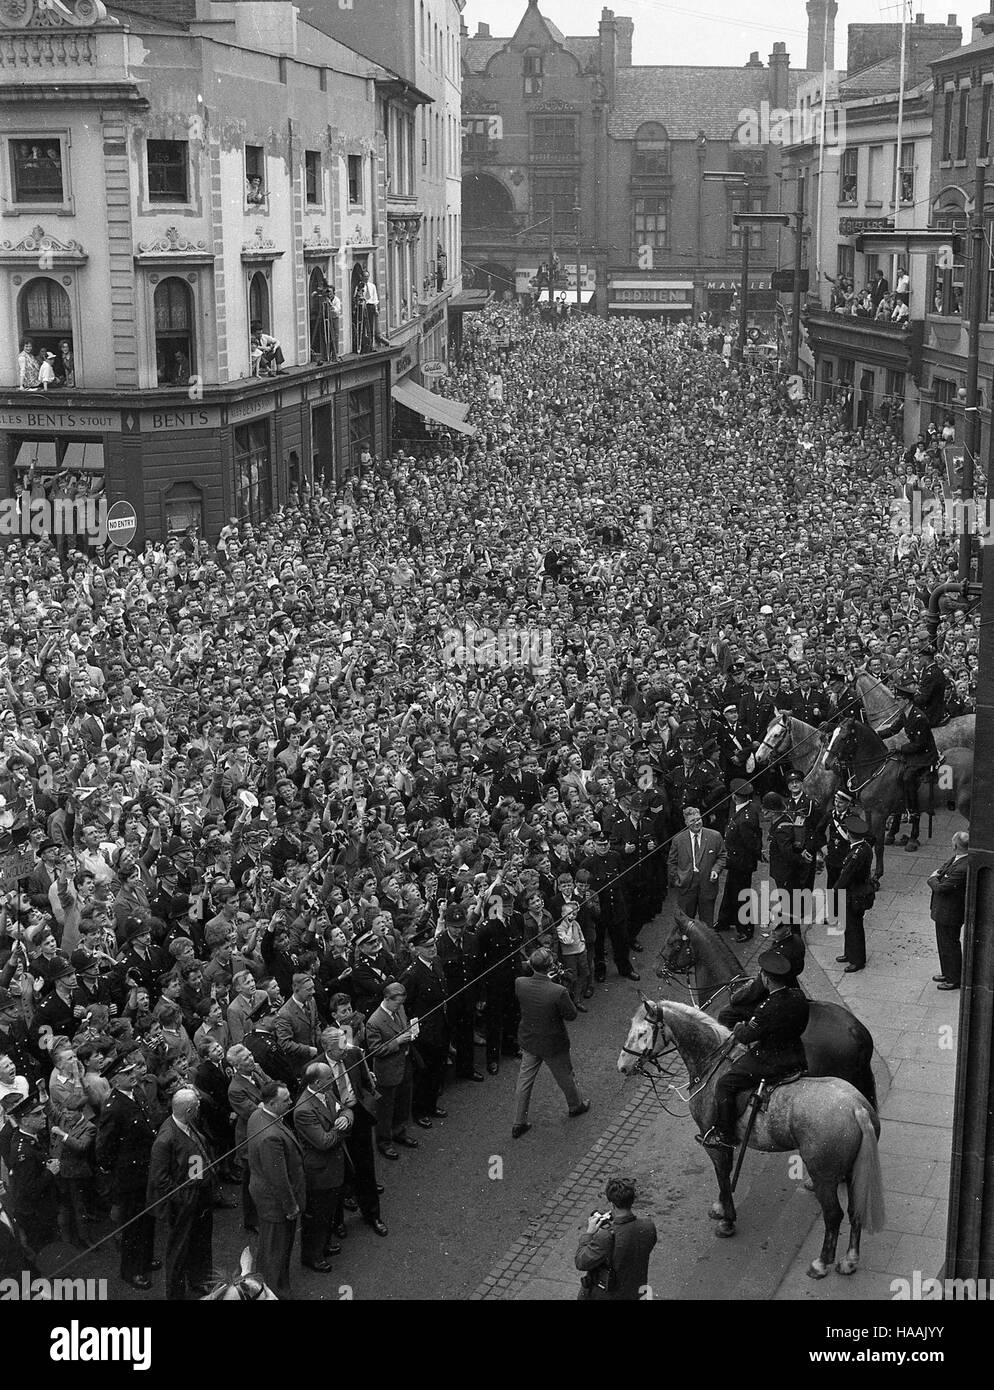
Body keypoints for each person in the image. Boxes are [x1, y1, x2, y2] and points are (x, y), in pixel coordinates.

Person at [700, 948, 809, 1151]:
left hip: (770, 1060)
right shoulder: (798, 996)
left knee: (725, 1083)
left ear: (767, 980)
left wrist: (742, 1025)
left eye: (762, 975)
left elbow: (746, 1036)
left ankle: (725, 1134)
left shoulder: (766, 1008)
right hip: (796, 1055)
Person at [511, 949, 589, 1140]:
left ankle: (519, 1122)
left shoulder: (520, 983)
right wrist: (557, 985)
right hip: (553, 1043)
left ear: (531, 965)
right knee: (565, 1076)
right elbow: (571, 1015)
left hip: (530, 1040)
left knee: (524, 1081)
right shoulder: (558, 991)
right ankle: (575, 1105)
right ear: (551, 966)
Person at [95, 1055, 158, 1289]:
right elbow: (103, 1149)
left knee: (148, 1218)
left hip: (145, 1167)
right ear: (114, 1080)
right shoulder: (113, 1107)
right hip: (129, 1176)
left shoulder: (136, 1093)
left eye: (133, 1070)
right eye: (126, 1073)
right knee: (134, 1225)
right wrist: (119, 1171)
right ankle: (131, 1271)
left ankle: (146, 1258)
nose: (133, 1075)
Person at [146, 1088, 215, 1300]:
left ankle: (199, 1280)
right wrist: (183, 1200)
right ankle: (175, 1294)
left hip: (199, 1195)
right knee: (179, 1250)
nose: (199, 1109)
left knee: (201, 1242)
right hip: (183, 1203)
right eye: (197, 1107)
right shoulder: (166, 1139)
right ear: (189, 1110)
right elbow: (160, 1179)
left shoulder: (187, 1124)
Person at [246, 1079, 305, 1299]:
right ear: (271, 1103)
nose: (291, 1102)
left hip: (263, 1194)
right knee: (276, 1250)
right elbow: (278, 1178)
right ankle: (274, 1291)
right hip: (275, 1203)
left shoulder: (257, 1116)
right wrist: (291, 1206)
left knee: (270, 1246)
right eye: (286, 1100)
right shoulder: (271, 1136)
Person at [292, 1061, 349, 1272]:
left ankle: (323, 1246)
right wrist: (343, 1128)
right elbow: (323, 1141)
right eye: (329, 1078)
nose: (333, 1080)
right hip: (319, 1171)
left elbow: (344, 1109)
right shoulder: (304, 1109)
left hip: (332, 1167)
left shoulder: (326, 1093)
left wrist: (345, 1118)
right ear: (317, 1082)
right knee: (316, 1216)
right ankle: (312, 1256)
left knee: (327, 1211)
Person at [575, 1176, 657, 1301]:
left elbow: (581, 1262)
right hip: (636, 1290)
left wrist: (589, 1234)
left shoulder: (606, 1236)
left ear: (612, 1203)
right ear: (632, 1200)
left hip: (607, 1293)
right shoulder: (648, 1226)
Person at [364, 981, 418, 1159]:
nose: (400, 1006)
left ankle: (400, 1132)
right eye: (397, 1003)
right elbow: (375, 1050)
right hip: (387, 1071)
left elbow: (403, 1026)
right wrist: (398, 1042)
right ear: (387, 999)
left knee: (403, 1103)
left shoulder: (399, 1009)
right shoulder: (374, 1021)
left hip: (404, 1065)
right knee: (385, 1109)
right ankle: (384, 1142)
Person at [714, 779, 761, 940]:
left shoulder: (745, 817)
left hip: (742, 862)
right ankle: (725, 920)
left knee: (742, 895)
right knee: (730, 892)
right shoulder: (744, 809)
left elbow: (751, 844)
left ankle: (746, 929)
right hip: (735, 861)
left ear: (735, 796)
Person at [666, 806, 725, 927]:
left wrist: (715, 870)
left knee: (707, 924)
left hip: (707, 884)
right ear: (686, 823)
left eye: (698, 819)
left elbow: (722, 856)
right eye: (692, 820)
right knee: (685, 924)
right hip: (686, 886)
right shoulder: (678, 840)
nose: (697, 823)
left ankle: (705, 945)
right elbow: (672, 862)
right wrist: (677, 881)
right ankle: (686, 944)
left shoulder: (715, 836)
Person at [927, 830, 968, 991]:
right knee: (943, 944)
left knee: (950, 945)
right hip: (944, 910)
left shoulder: (962, 867)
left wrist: (932, 879)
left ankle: (953, 978)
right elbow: (942, 870)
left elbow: (941, 886)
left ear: (955, 845)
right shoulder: (957, 859)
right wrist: (938, 877)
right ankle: (947, 972)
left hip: (950, 912)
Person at [834, 817, 876, 973]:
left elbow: (846, 876)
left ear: (849, 834)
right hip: (856, 891)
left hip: (854, 893)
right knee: (849, 925)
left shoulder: (856, 854)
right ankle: (849, 953)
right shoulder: (864, 846)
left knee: (854, 927)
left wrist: (835, 889)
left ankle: (857, 960)